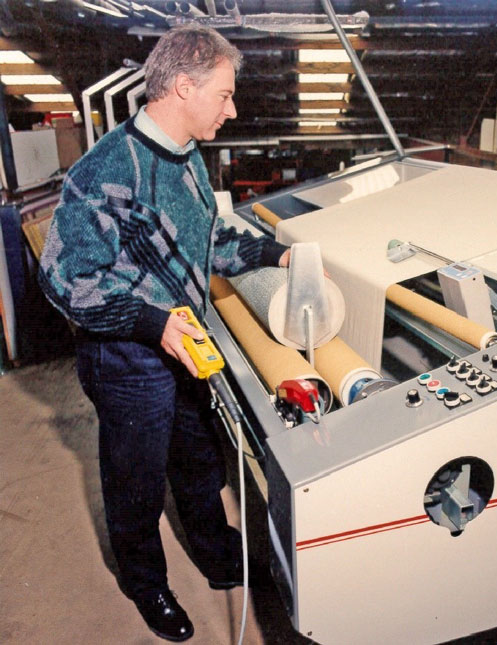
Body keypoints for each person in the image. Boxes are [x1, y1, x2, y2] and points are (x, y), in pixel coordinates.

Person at [38, 25, 289, 642]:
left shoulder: (186, 157)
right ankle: (145, 582)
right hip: (127, 361)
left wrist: (276, 255)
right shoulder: (105, 173)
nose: (232, 109)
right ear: (184, 86)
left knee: (200, 460)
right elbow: (64, 281)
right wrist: (153, 323)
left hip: (184, 348)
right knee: (135, 482)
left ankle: (216, 554)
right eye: (225, 95)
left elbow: (206, 245)